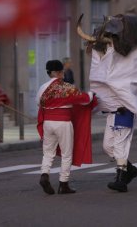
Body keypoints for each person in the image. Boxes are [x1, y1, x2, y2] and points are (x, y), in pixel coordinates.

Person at [36, 60, 95, 195]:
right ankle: (63, 184)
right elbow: (85, 99)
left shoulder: (42, 88)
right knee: (66, 153)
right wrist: (92, 94)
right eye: (62, 71)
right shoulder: (67, 87)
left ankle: (44, 175)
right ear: (59, 72)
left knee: (48, 152)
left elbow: (39, 104)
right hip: (63, 122)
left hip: (48, 123)